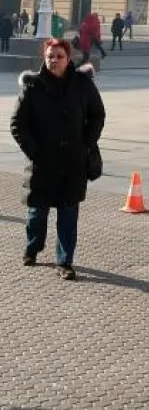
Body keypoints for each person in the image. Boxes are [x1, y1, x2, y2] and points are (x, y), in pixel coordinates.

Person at [10, 38, 105, 280]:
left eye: (59, 56)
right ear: (44, 57)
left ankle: (64, 262)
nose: (54, 61)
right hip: (42, 162)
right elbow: (17, 124)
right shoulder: (33, 86)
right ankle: (32, 248)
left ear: (68, 58)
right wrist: (34, 151)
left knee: (68, 214)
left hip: (73, 162)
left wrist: (86, 142)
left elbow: (97, 114)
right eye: (50, 56)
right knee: (36, 214)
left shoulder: (83, 84)